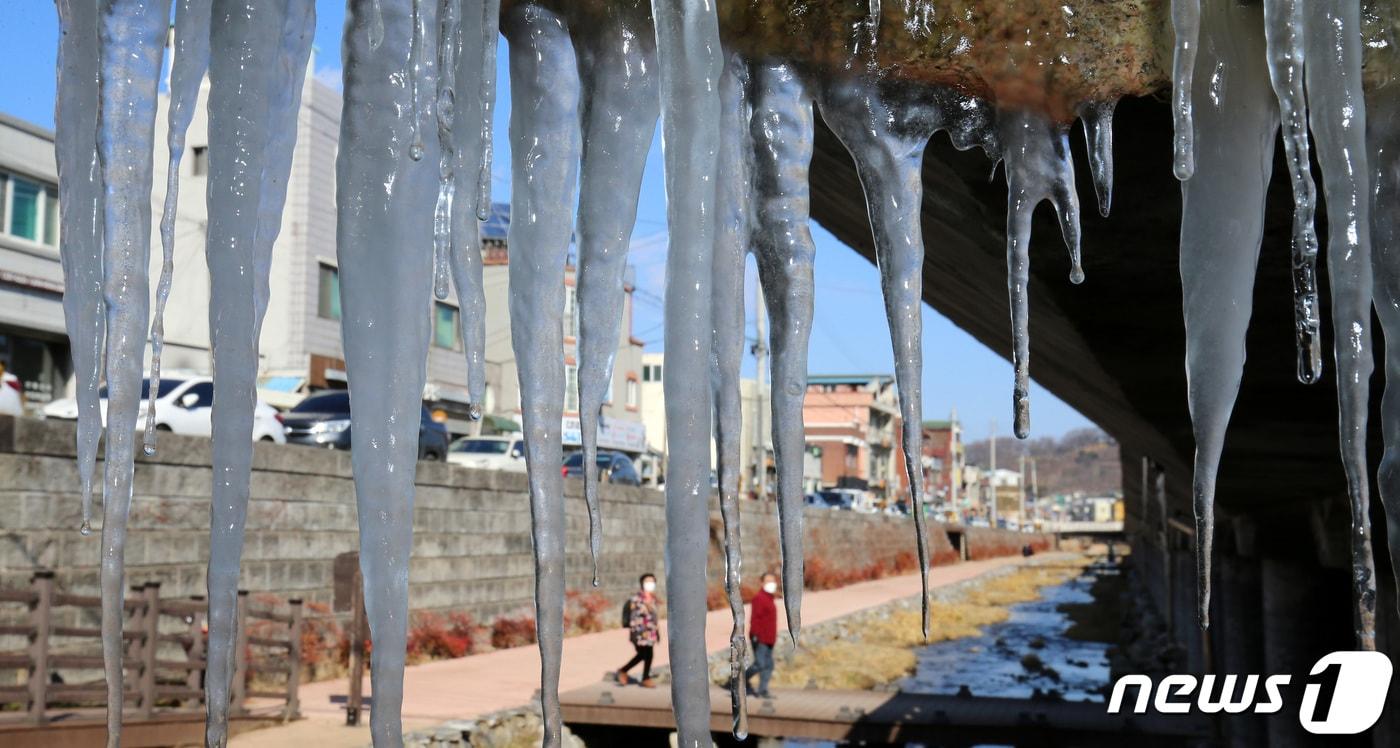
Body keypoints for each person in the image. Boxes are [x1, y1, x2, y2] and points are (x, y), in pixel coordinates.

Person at [618, 573, 660, 687]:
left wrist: (657, 632)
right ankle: (624, 671)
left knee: (649, 655)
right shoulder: (636, 599)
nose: (650, 584)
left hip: (650, 633)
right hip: (640, 634)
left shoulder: (653, 599)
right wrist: (637, 634)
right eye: (647, 581)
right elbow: (634, 619)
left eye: (652, 581)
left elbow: (654, 618)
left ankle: (645, 678)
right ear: (642, 583)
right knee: (643, 655)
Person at [745, 572, 779, 698]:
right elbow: (755, 619)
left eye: (773, 581)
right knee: (760, 664)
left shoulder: (770, 598)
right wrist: (755, 635)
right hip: (760, 638)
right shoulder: (759, 598)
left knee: (768, 665)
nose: (772, 584)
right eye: (768, 581)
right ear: (762, 583)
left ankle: (762, 690)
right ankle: (738, 682)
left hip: (770, 638)